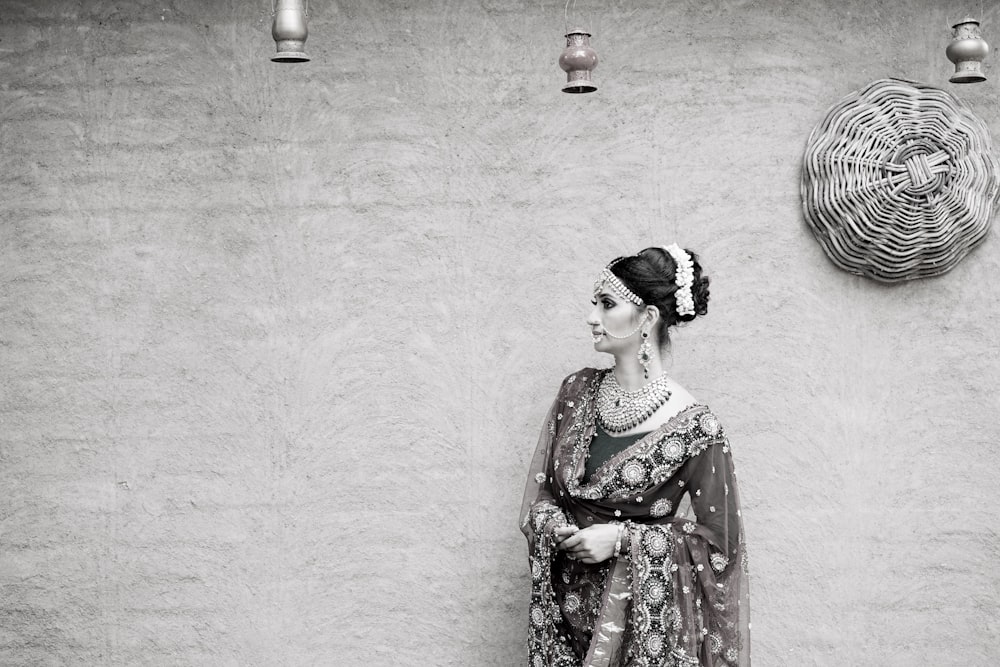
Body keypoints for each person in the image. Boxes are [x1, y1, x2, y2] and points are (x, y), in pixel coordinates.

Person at [520, 245, 750, 667]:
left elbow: (722, 545)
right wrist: (555, 527)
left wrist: (623, 540)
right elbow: (546, 496)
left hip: (641, 634)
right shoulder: (576, 394)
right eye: (594, 304)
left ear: (647, 318)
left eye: (607, 304)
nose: (592, 317)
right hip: (563, 625)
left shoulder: (696, 429)